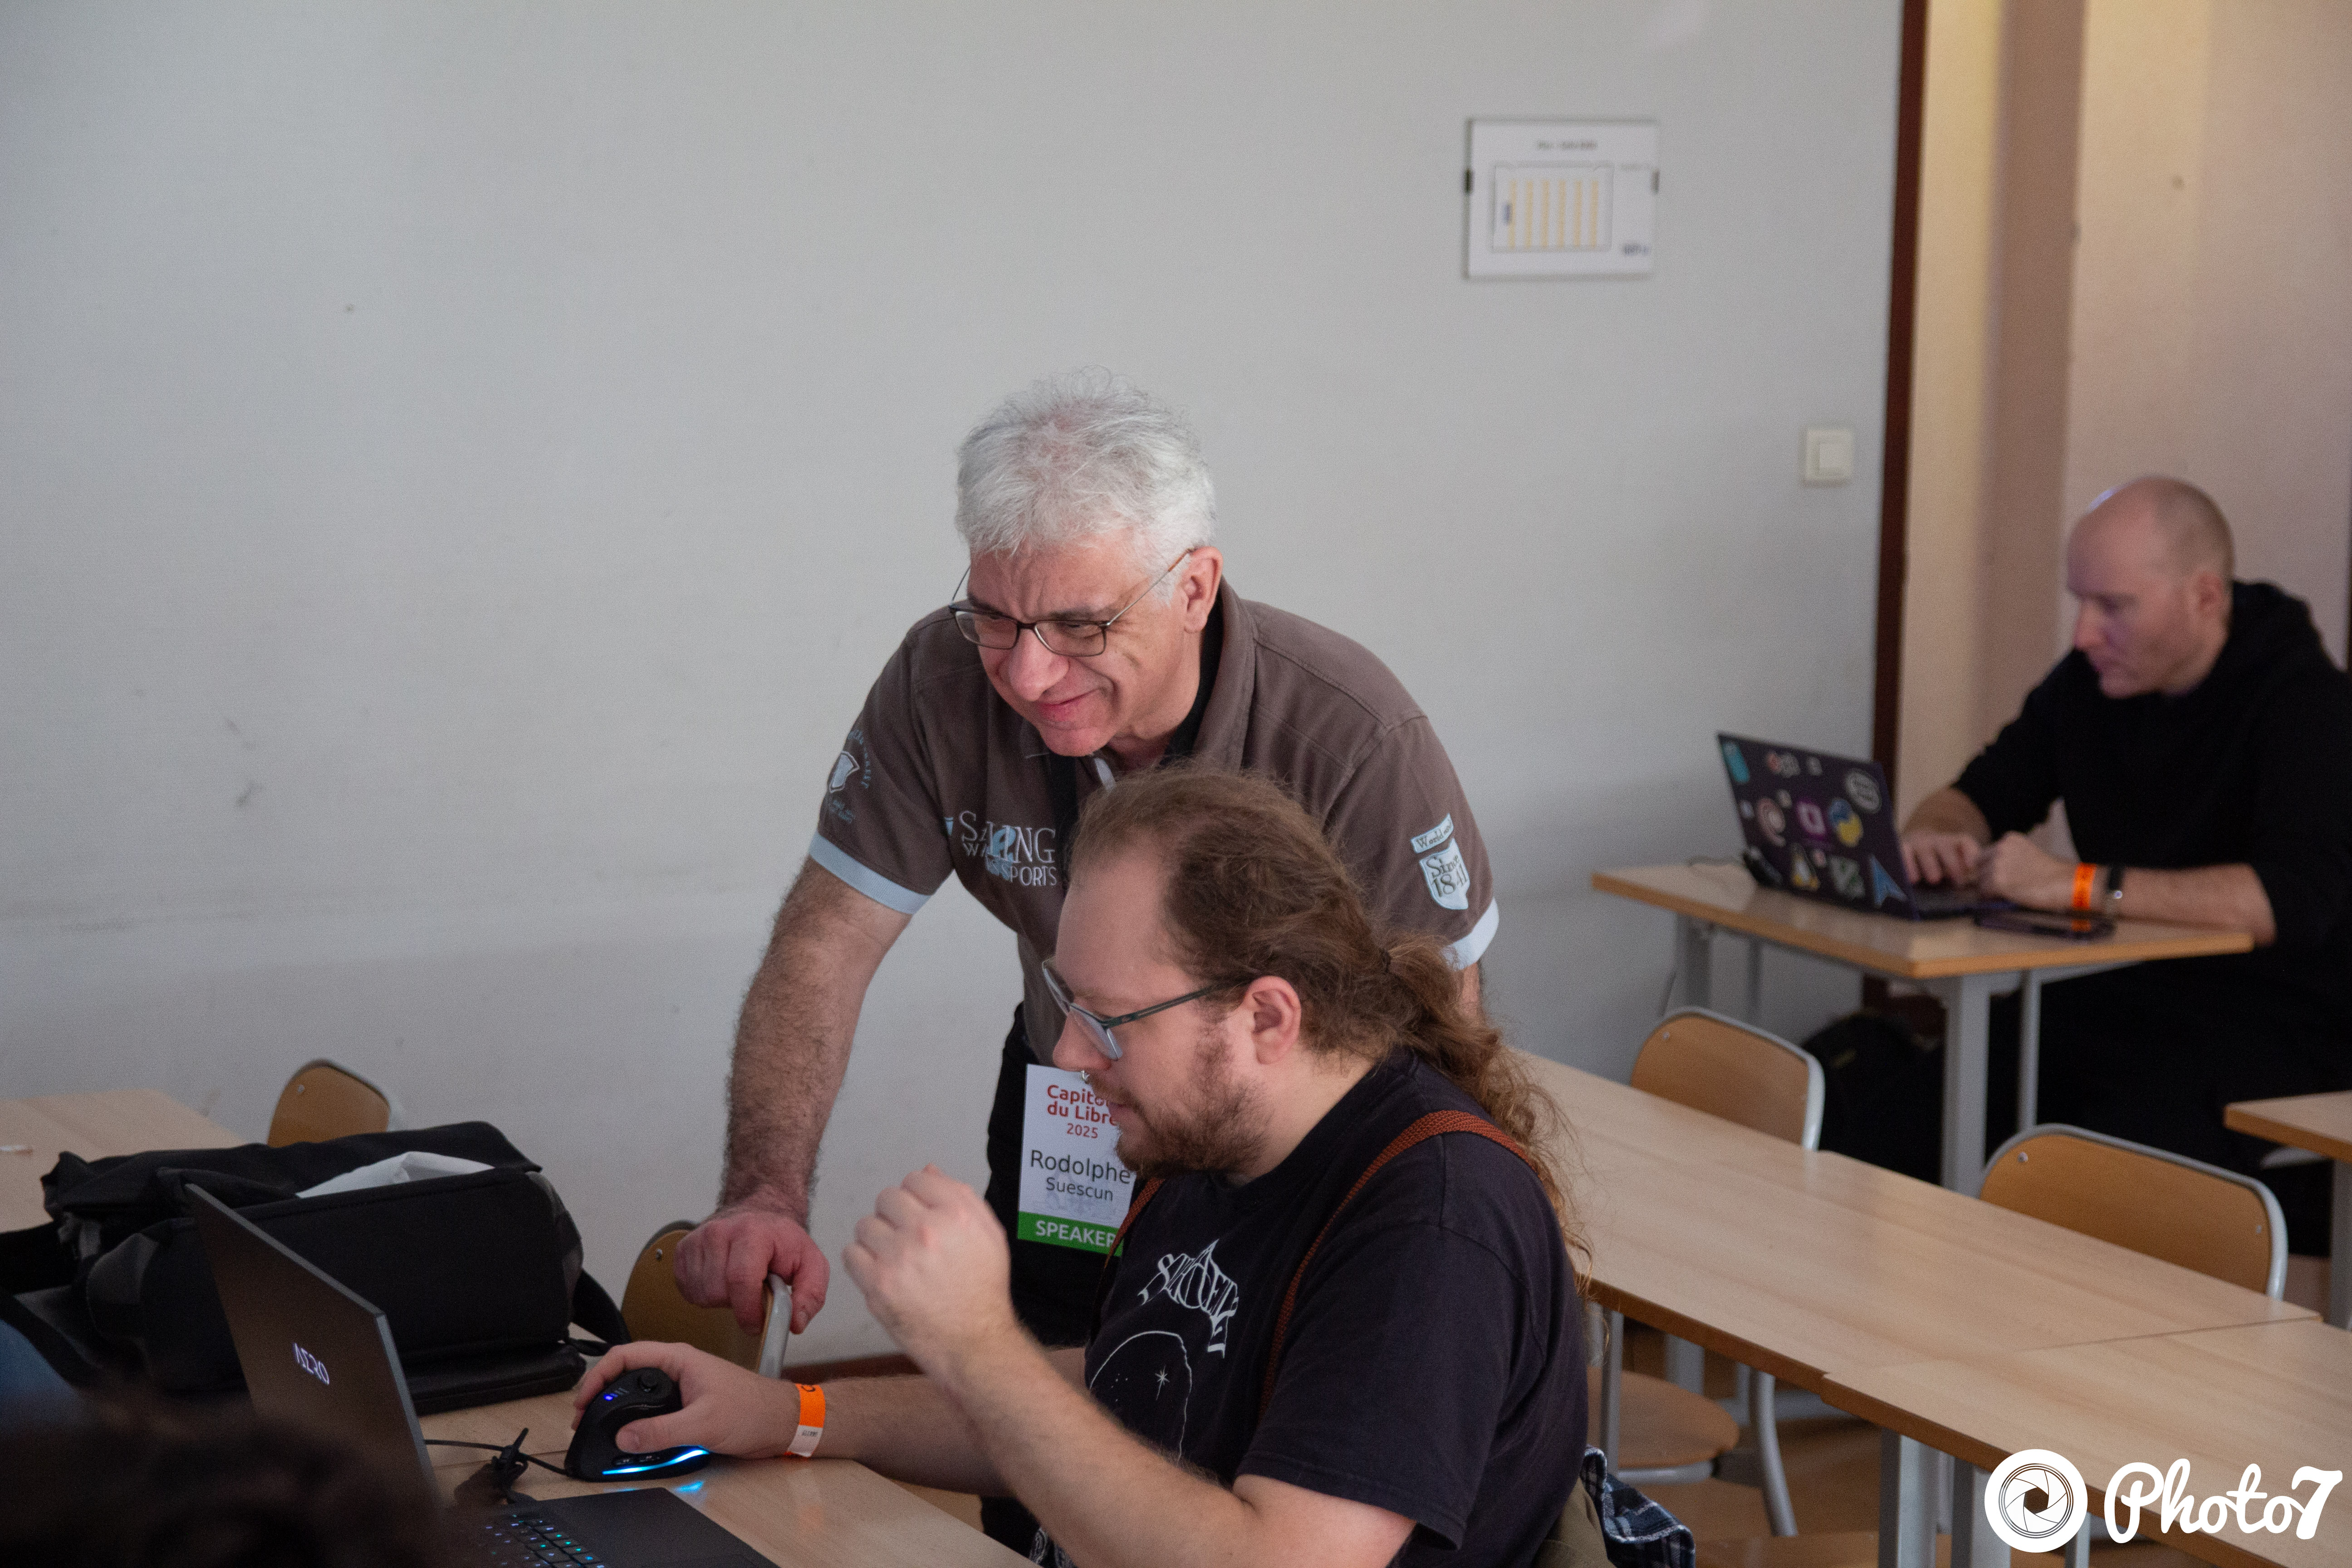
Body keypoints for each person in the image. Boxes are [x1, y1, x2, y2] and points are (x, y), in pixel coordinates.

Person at [677, 367, 1498, 1544]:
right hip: (1081, 1108)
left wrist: (1404, 1258)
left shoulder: (1351, 734)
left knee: (1236, 1447)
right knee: (1056, 1431)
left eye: (1081, 627)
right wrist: (766, 1193)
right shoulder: (942, 680)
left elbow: (1446, 1045)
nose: (1027, 674)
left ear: (1193, 588)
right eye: (995, 619)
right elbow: (826, 940)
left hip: (1286, 1154)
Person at [589, 767, 1581, 1568]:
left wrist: (980, 1347)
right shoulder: (1206, 1138)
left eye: (1109, 1020)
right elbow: (1112, 1399)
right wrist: (794, 1414)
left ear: (1267, 1017)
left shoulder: (1433, 1227)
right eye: (1068, 1006)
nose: (1067, 1055)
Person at [1901, 476, 2352, 1218]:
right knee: (1917, 1109)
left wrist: (2078, 885)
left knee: (2089, 1174)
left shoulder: (2307, 706)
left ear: (2204, 597)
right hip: (2130, 992)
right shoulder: (2092, 681)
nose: (2084, 634)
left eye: (2113, 606)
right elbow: (1980, 792)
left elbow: (2289, 900)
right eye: (2080, 602)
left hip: (2279, 1021)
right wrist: (1934, 834)